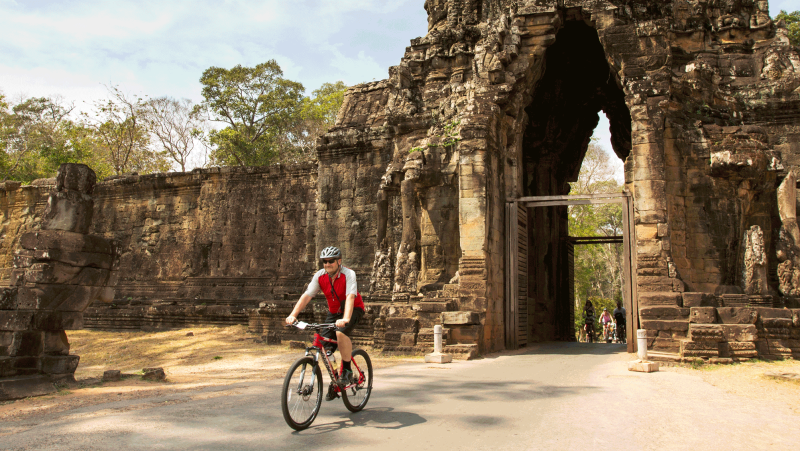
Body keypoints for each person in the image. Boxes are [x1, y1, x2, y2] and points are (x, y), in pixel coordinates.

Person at [286, 246, 365, 390]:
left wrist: (346, 319)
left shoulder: (349, 274)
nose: (328, 264)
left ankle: (347, 370)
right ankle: (336, 380)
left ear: (339, 261)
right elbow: (307, 296)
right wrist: (293, 315)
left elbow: (350, 297)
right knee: (325, 348)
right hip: (334, 312)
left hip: (353, 309)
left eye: (331, 261)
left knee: (341, 332)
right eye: (325, 261)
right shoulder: (320, 276)